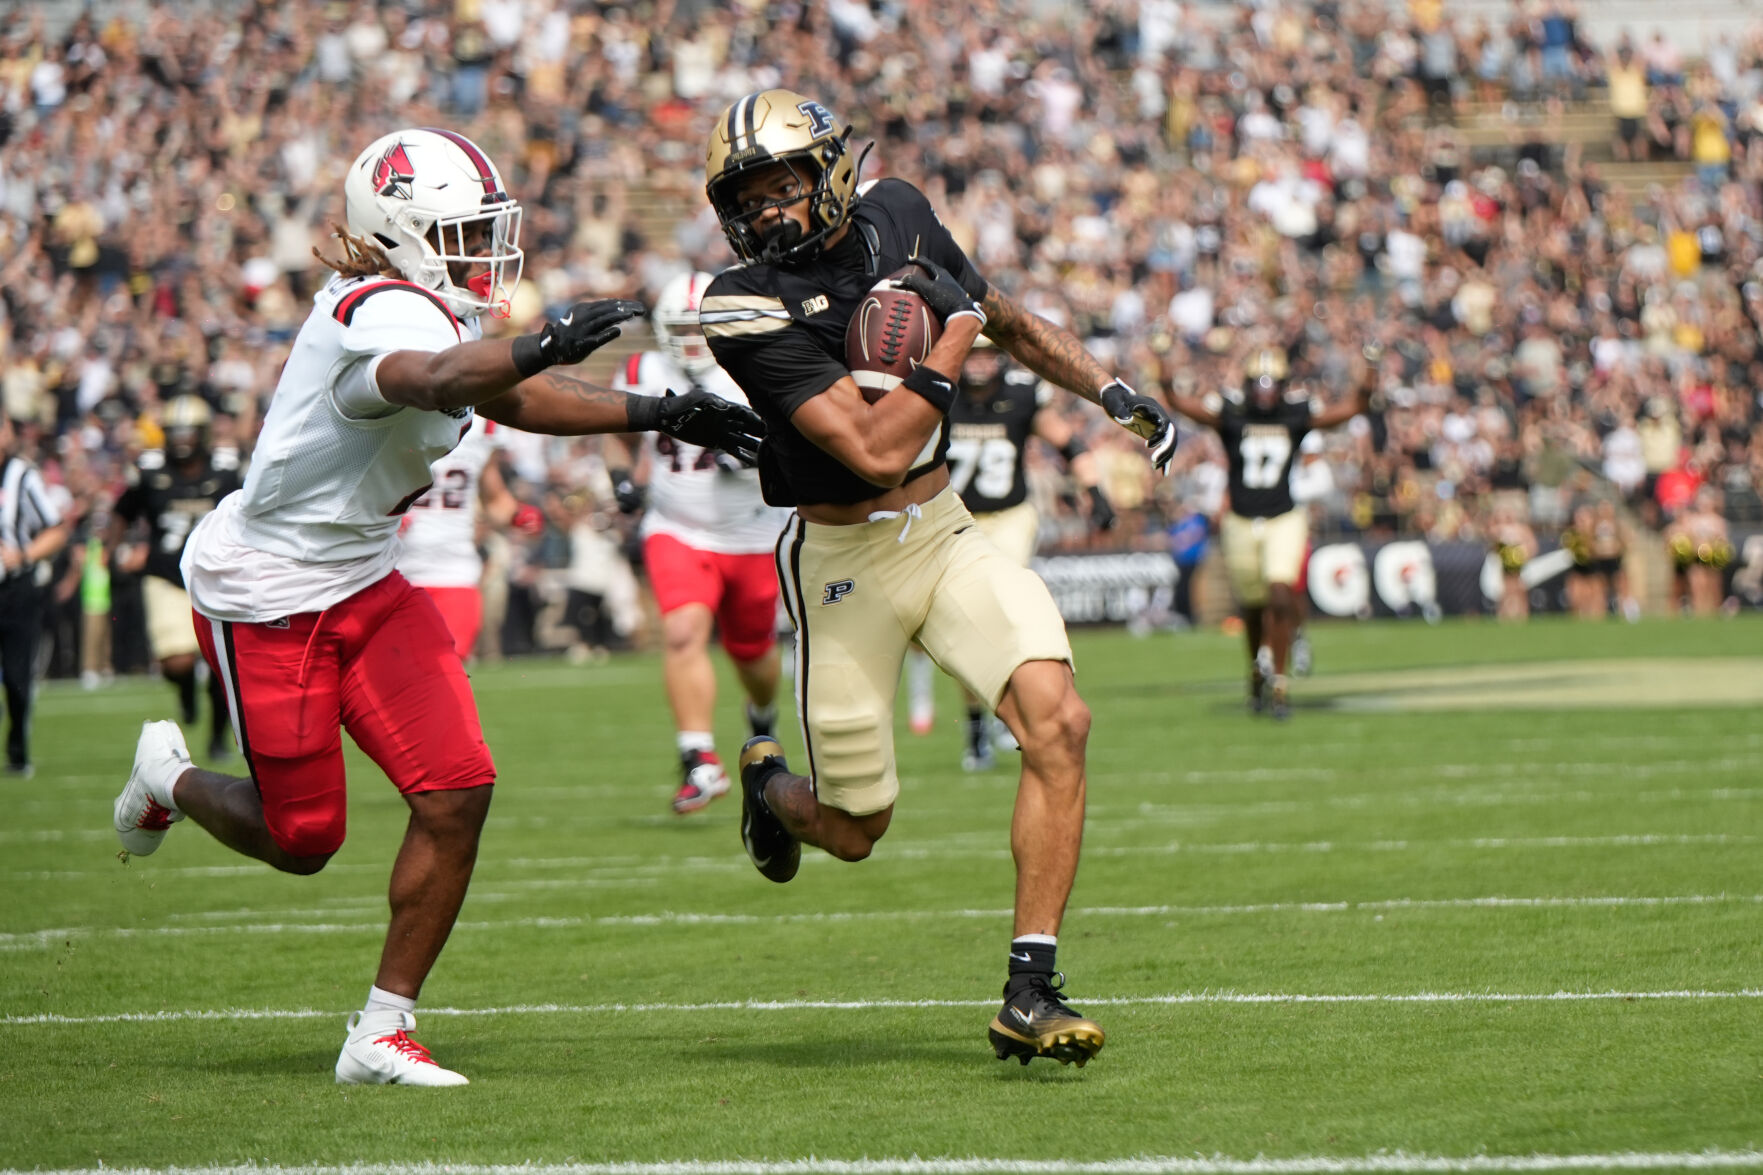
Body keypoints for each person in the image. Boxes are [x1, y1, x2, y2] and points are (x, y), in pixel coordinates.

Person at [110, 127, 762, 1086]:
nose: (484, 252)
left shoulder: (432, 309)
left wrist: (660, 411)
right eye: (462, 232)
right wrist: (538, 342)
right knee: (303, 841)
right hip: (272, 592)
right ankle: (168, 778)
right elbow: (434, 380)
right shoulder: (372, 307)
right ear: (404, 231)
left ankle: (382, 1027)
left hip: (366, 578)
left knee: (456, 789)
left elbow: (509, 397)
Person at [699, 89, 1176, 1068]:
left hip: (945, 529)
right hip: (841, 561)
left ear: (830, 170)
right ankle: (767, 786)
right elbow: (873, 448)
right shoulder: (736, 302)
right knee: (855, 825)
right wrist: (948, 335)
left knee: (1059, 717)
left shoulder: (901, 214)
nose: (764, 215)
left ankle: (1029, 987)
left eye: (782, 186)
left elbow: (999, 313)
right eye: (744, 198)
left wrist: (1107, 388)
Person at [606, 270, 790, 814]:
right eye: (680, 326)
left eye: (700, 326)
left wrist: (756, 456)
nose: (690, 339)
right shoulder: (643, 369)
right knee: (683, 631)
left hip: (753, 531)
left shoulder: (756, 369)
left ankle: (762, 719)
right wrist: (622, 480)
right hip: (677, 526)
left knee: (752, 652)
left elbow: (799, 445)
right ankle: (699, 760)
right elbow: (616, 435)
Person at [903, 338, 1115, 770]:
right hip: (952, 519)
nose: (979, 364)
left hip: (1010, 517)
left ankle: (994, 719)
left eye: (986, 355)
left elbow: (1069, 442)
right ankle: (980, 723)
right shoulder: (940, 393)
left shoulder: (1020, 396)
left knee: (997, 609)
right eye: (972, 355)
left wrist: (1094, 490)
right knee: (967, 620)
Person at [1160, 343, 1369, 720]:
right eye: (1258, 381)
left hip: (1283, 517)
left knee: (1280, 591)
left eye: (1272, 381)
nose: (1265, 388)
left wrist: (1369, 370)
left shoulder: (1295, 414)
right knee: (1254, 610)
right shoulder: (1232, 413)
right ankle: (1257, 673)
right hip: (1239, 520)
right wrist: (1162, 362)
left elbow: (1353, 408)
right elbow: (1177, 400)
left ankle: (1279, 683)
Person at [110, 395, 244, 758]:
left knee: (220, 667)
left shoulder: (228, 469)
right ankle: (185, 691)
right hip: (165, 573)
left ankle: (218, 738)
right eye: (175, 431)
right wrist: (115, 551)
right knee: (177, 661)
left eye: (189, 431)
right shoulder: (150, 471)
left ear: (202, 433)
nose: (182, 438)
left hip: (216, 573)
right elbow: (121, 512)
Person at [395, 414, 538, 660]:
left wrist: (518, 515)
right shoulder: (395, 406)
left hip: (455, 567)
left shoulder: (484, 422)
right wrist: (385, 514)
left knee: (449, 664)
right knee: (397, 666)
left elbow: (494, 498)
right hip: (394, 568)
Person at [0, 413, 70, 777]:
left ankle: (17, 752)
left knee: (16, 676)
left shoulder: (21, 476)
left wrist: (23, 555)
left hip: (14, 589)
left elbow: (57, 530)